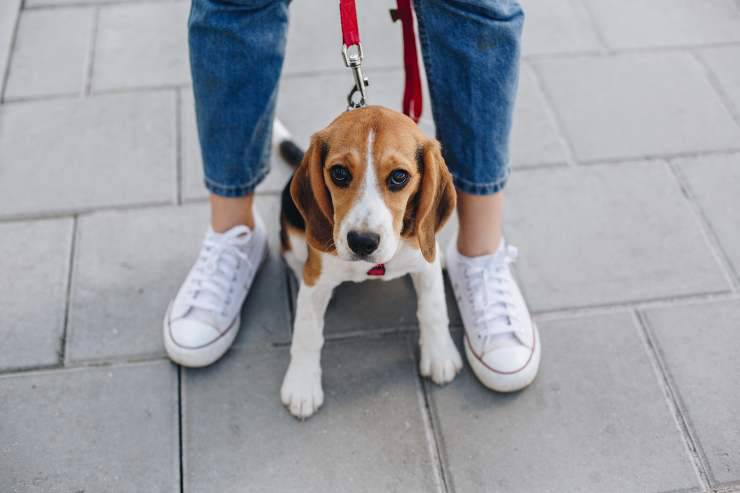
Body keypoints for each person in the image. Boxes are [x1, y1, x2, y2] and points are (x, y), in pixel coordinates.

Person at [164, 0, 540, 392]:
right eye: (341, 174)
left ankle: (479, 255)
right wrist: (303, 363)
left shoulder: (418, 219)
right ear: (321, 174)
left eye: (397, 179)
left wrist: (437, 336)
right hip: (321, 234)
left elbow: (427, 271)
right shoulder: (326, 215)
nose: (364, 226)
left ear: (425, 186)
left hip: (409, 236)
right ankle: (235, 235)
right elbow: (314, 287)